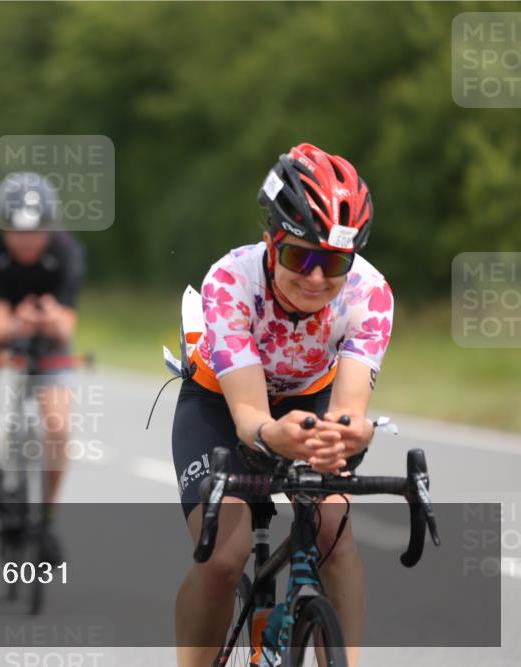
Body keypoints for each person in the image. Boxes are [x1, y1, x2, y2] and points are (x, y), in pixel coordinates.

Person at [172, 143, 393, 667]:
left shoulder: (370, 294)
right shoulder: (229, 283)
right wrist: (273, 435)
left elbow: (349, 407)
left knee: (333, 538)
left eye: (335, 262)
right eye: (300, 256)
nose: (317, 278)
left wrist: (351, 433)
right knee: (224, 557)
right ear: (272, 242)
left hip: (310, 396)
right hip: (220, 401)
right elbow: (249, 417)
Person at [0, 172, 85, 562]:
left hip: (42, 326)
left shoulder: (66, 251)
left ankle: (47, 517)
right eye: (16, 233)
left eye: (35, 234)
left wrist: (48, 320)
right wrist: (17, 324)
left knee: (59, 427)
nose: (26, 242)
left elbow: (67, 324)